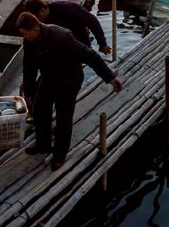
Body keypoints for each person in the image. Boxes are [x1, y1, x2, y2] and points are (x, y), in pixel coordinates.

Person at [18, 12, 122, 171]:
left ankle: (59, 155)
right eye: (22, 34)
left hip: (69, 80)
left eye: (26, 33)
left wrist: (110, 77)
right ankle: (43, 144)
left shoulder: (62, 37)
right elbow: (29, 68)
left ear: (36, 28)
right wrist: (29, 94)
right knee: (40, 111)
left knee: (63, 118)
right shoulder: (29, 41)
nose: (25, 36)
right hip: (49, 77)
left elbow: (91, 56)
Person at [24, 0, 112, 54]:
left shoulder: (67, 8)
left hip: (78, 42)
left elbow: (92, 21)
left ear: (42, 11)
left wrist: (102, 43)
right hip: (59, 46)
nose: (37, 22)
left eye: (37, 18)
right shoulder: (40, 21)